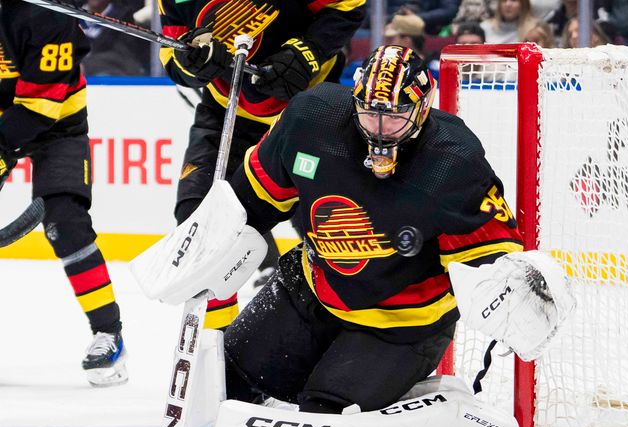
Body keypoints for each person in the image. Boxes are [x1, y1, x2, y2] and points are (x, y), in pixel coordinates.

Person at [222, 45, 524, 415]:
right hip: (315, 289)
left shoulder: (453, 161)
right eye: (370, 113)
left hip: (405, 324)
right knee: (226, 376)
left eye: (395, 116)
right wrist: (208, 245)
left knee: (325, 415)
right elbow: (247, 204)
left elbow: (493, 258)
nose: (379, 129)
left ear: (422, 108)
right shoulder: (310, 119)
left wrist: (512, 292)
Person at [158, 0, 366, 328]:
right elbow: (171, 53)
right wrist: (192, 60)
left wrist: (307, 51)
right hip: (225, 111)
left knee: (333, 230)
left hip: (306, 111)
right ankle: (217, 344)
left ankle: (353, 335)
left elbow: (348, 7)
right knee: (199, 220)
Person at [0, 0, 128, 387]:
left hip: (56, 125)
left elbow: (40, 110)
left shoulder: (47, 14)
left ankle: (109, 332)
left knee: (65, 222)